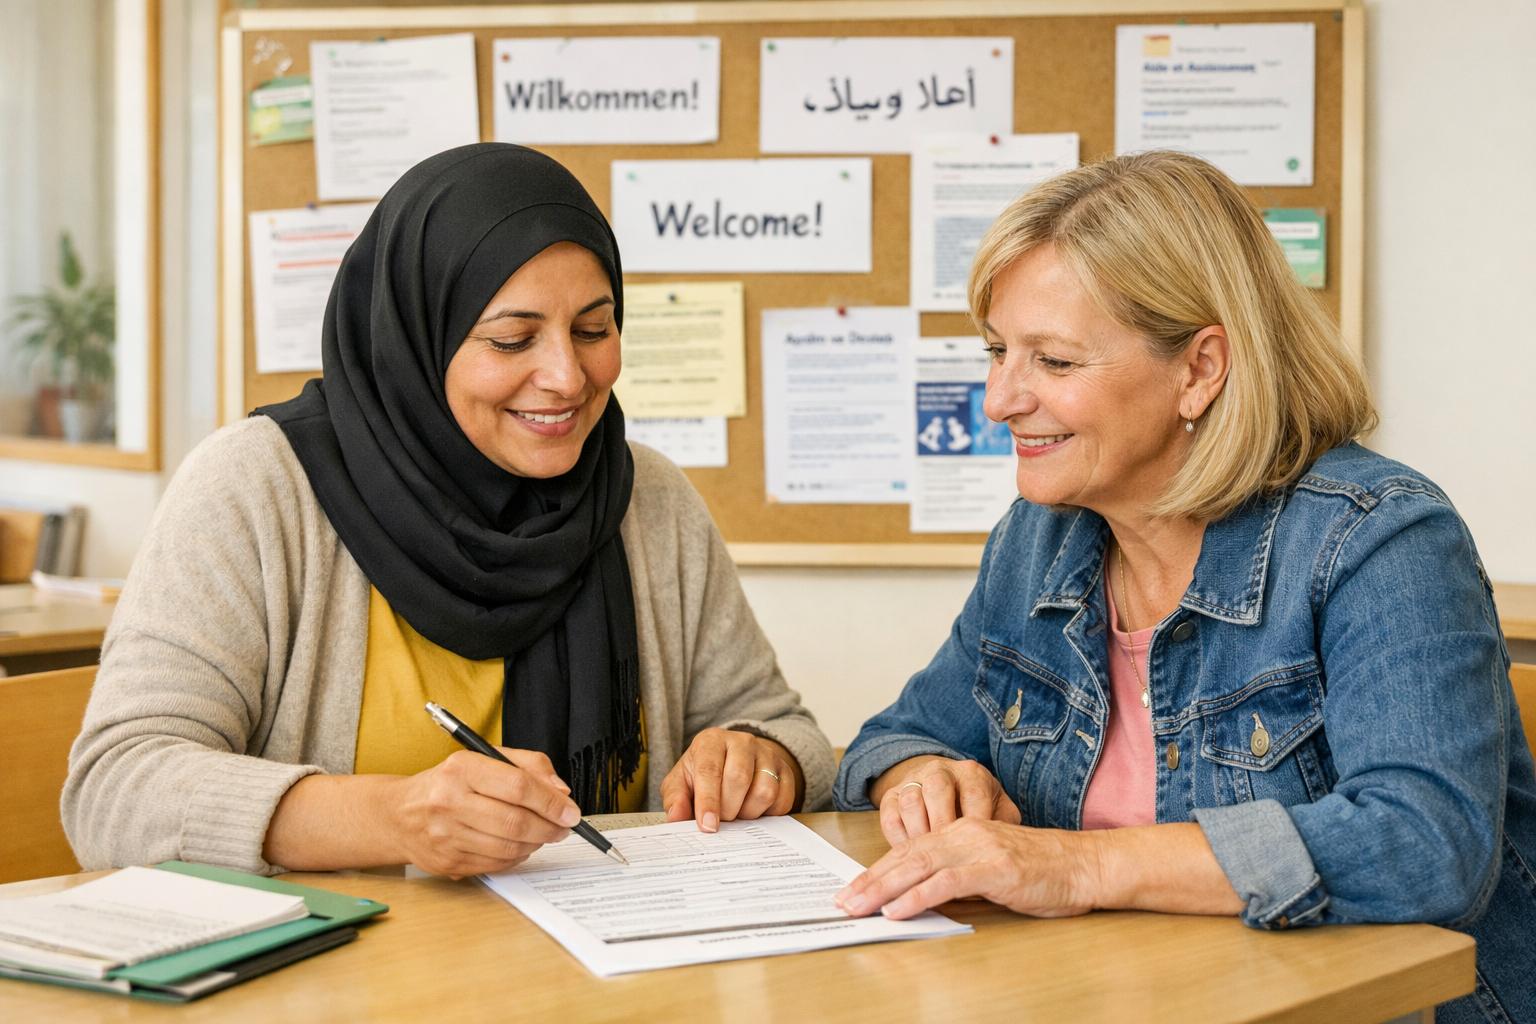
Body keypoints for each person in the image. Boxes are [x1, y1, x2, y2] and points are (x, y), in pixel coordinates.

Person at [832, 151, 1534, 1021]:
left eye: (1051, 360)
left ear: (1200, 369)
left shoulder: (1378, 537)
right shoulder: (1037, 538)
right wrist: (921, 773)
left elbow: (1429, 843)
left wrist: (1076, 867)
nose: (999, 399)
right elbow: (893, 737)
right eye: (998, 352)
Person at [64, 143, 833, 879]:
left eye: (593, 329)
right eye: (511, 339)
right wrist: (391, 817)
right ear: (415, 341)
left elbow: (790, 732)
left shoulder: (648, 499)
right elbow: (115, 790)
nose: (566, 376)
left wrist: (761, 758)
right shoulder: (256, 488)